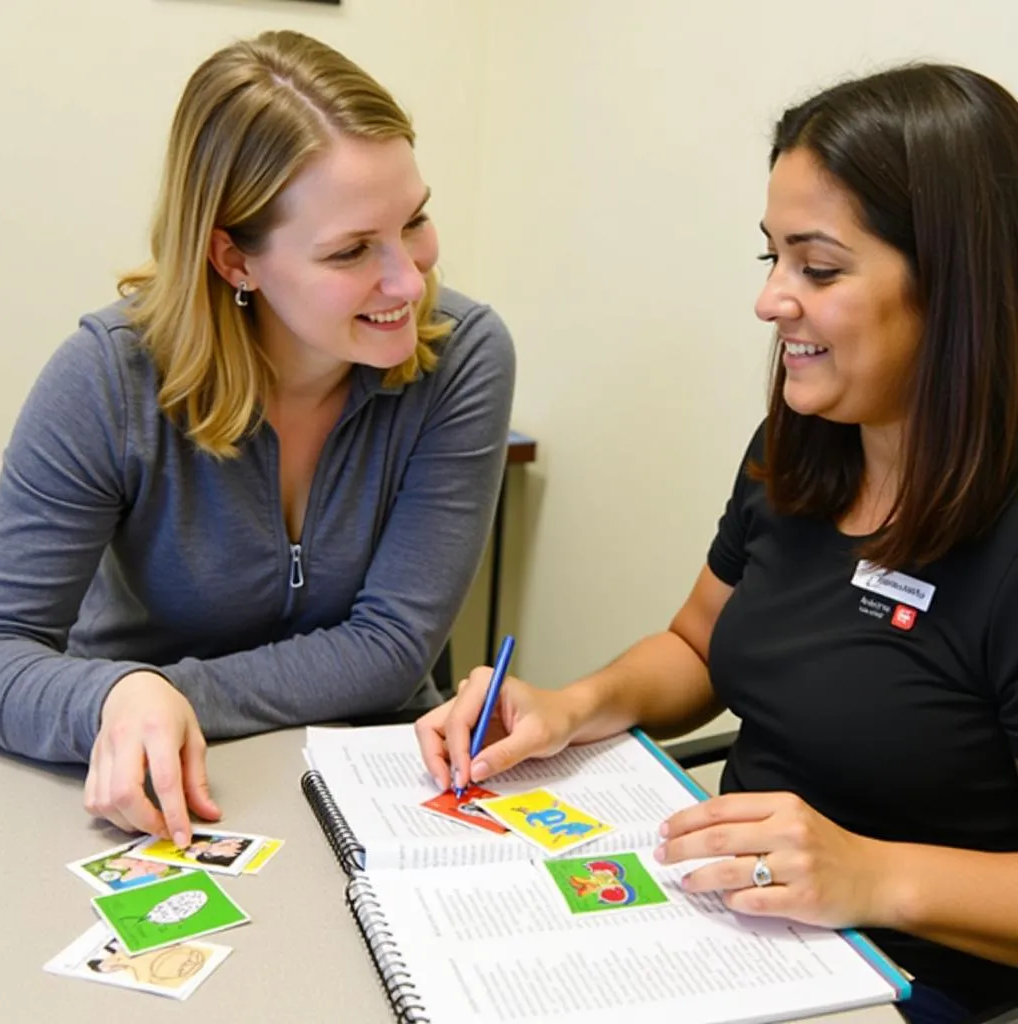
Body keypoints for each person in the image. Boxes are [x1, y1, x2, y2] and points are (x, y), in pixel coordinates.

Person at [417, 63, 1018, 1022]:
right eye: (770, 259)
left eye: (818, 268)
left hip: (905, 983)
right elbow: (700, 645)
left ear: (958, 284)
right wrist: (571, 705)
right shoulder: (800, 449)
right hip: (720, 933)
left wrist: (871, 877)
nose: (773, 301)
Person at [0, 31, 514, 852]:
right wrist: (115, 700)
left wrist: (169, 693)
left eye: (414, 221)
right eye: (351, 251)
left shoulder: (466, 355)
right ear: (234, 258)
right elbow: (1, 645)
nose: (409, 282)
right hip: (141, 788)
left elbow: (389, 649)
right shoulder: (106, 379)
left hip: (370, 774)